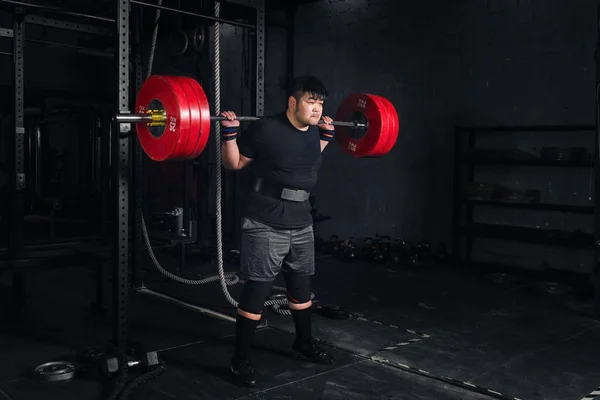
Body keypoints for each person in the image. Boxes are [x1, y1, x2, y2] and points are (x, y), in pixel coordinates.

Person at [220, 75, 336, 387]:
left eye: (320, 103)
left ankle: (304, 343)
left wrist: (327, 136)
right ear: (292, 102)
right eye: (311, 102)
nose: (316, 109)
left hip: (301, 221)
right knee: (257, 290)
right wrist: (229, 134)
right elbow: (235, 164)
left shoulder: (314, 132)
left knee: (300, 288)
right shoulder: (265, 128)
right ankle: (240, 360)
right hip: (265, 221)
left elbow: (309, 160)